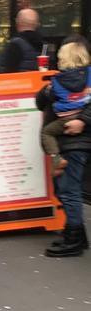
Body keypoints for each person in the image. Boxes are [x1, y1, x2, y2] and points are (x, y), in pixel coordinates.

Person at [36, 39, 91, 257]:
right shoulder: (64, 81)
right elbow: (40, 101)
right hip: (66, 141)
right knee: (64, 189)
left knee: (69, 190)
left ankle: (74, 239)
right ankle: (76, 233)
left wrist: (83, 121)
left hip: (75, 141)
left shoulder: (64, 81)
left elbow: (42, 101)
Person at [40, 41, 91, 174]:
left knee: (46, 132)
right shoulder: (89, 74)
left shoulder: (57, 79)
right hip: (82, 112)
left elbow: (48, 97)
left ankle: (56, 160)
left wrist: (46, 90)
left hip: (66, 117)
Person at [1, 8, 44, 72]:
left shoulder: (14, 45)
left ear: (18, 23)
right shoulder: (45, 45)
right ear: (37, 24)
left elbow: (7, 73)